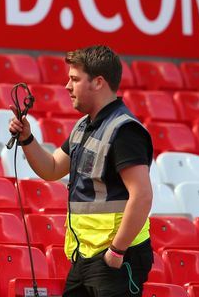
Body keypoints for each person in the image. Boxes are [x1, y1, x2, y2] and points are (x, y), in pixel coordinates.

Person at [9, 45, 153, 297]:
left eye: (74, 79)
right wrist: (27, 138)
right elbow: (51, 168)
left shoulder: (124, 130)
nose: (67, 86)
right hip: (86, 256)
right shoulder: (83, 126)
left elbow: (141, 195)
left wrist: (116, 252)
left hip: (116, 258)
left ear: (98, 82)